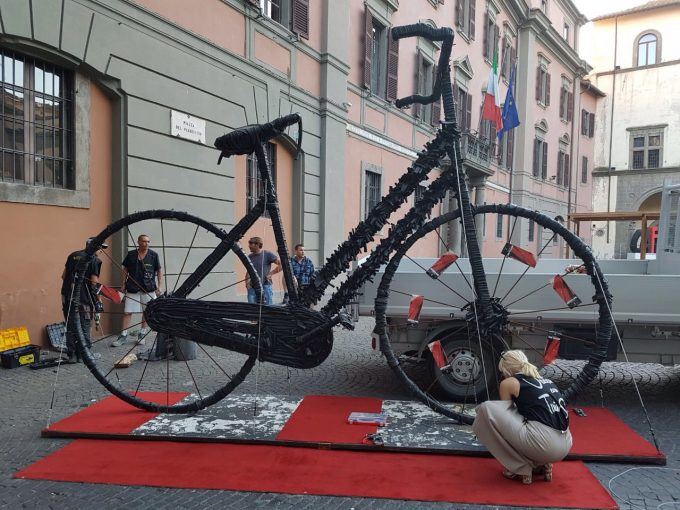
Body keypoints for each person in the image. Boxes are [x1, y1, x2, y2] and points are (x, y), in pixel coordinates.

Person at [472, 349, 572, 485]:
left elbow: (507, 416)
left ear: (506, 369)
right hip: (566, 442)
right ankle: (542, 463)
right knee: (529, 423)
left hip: (544, 442)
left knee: (486, 409)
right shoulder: (547, 381)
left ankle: (521, 467)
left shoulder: (509, 382)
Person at [112, 234, 163, 347]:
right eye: (144, 241)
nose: (146, 243)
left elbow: (159, 271)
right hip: (132, 287)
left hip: (148, 288)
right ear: (138, 242)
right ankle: (123, 335)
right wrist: (123, 284)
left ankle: (142, 334)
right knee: (127, 312)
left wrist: (159, 286)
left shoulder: (153, 255)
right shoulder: (131, 254)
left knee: (147, 311)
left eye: (148, 241)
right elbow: (125, 270)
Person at [61, 238, 106, 362]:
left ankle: (72, 355)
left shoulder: (73, 255)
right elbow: (94, 283)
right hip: (84, 297)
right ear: (94, 246)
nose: (101, 250)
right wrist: (99, 299)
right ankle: (84, 355)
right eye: (100, 247)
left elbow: (63, 276)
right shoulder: (94, 260)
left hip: (67, 295)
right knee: (84, 324)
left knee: (71, 324)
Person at [245, 236, 281, 305]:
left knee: (268, 307)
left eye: (251, 244)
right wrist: (247, 283)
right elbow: (248, 271)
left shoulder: (267, 254)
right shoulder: (249, 257)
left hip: (266, 286)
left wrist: (271, 273)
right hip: (252, 287)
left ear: (257, 245)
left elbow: (282, 265)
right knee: (252, 308)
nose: (249, 246)